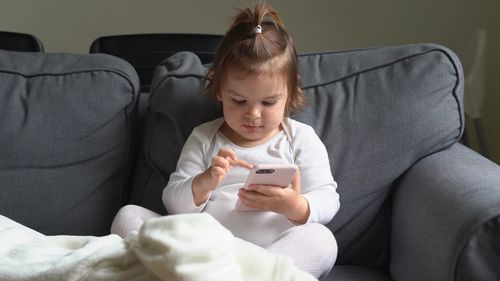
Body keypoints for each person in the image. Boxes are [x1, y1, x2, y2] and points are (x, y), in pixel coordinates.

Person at [111, 3, 340, 279]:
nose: (253, 114)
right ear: (219, 88)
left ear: (290, 93)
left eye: (268, 102)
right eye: (239, 101)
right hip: (208, 250)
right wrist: (204, 182)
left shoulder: (299, 138)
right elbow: (173, 202)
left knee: (322, 239)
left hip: (271, 252)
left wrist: (295, 205)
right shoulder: (205, 137)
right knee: (128, 216)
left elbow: (328, 198)